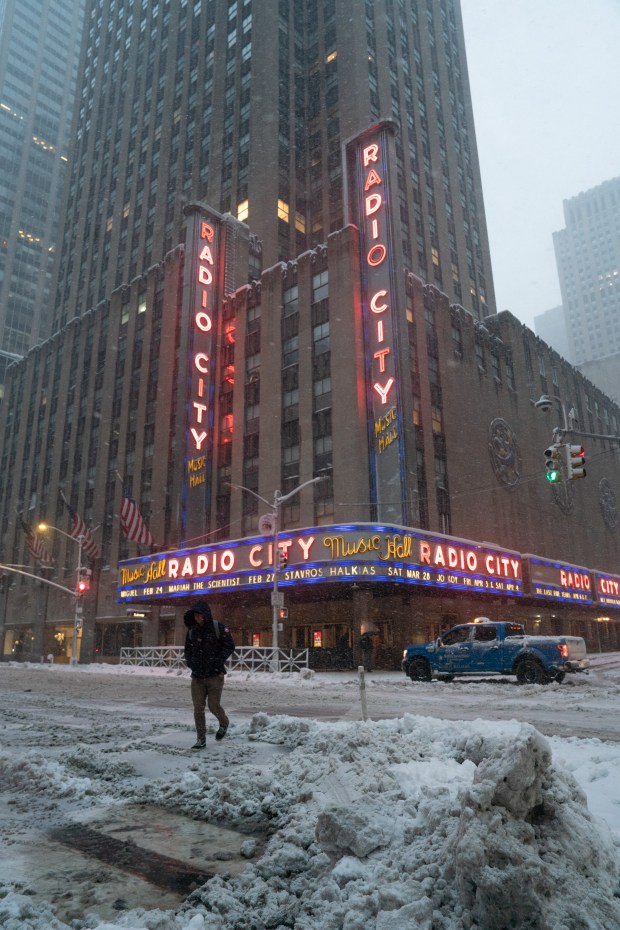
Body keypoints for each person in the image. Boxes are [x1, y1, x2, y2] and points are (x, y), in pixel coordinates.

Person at [184, 599, 236, 749]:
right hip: (197, 677)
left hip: (215, 675)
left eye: (200, 615)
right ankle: (201, 738)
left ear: (206, 614)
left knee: (213, 706)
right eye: (195, 616)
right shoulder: (192, 631)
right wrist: (191, 662)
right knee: (198, 708)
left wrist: (217, 660)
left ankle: (224, 722)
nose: (198, 618)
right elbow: (187, 650)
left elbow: (230, 645)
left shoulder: (218, 627)